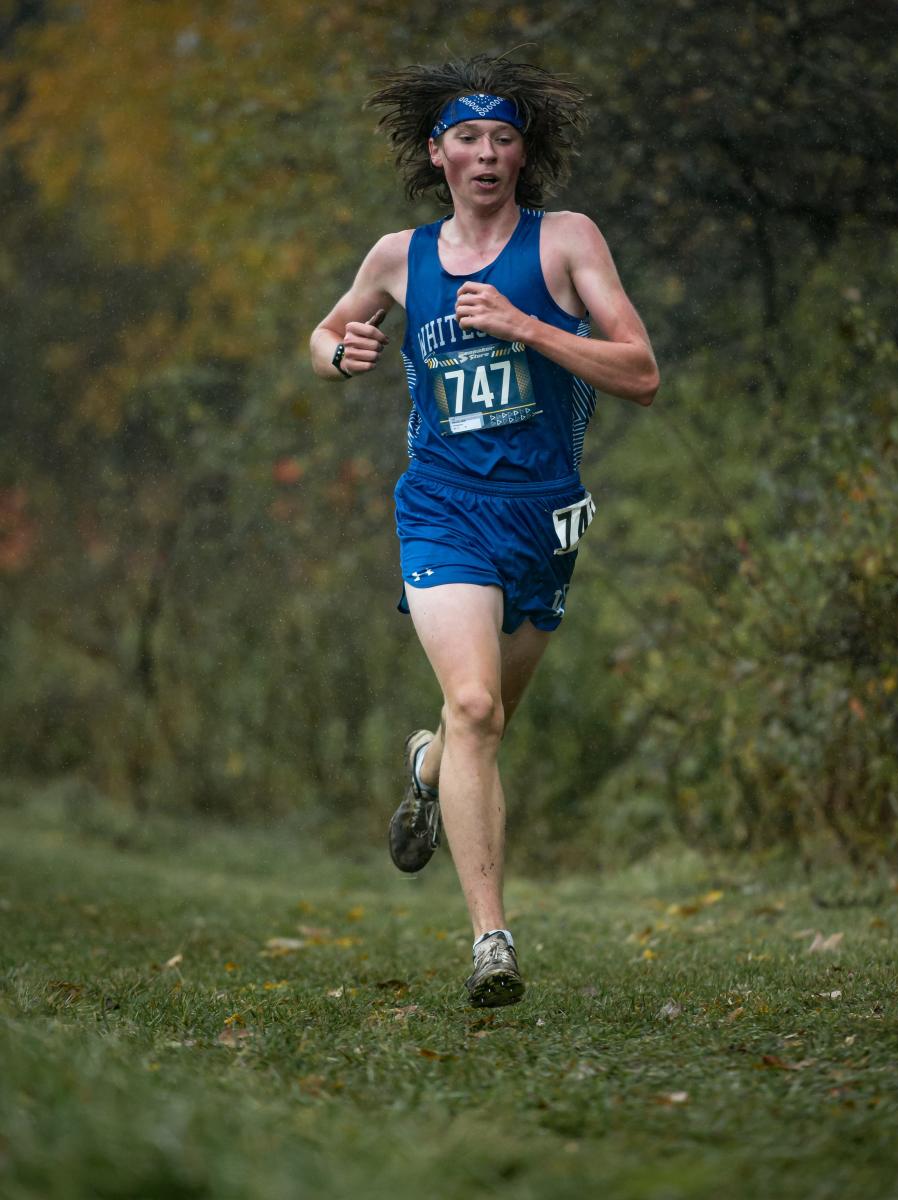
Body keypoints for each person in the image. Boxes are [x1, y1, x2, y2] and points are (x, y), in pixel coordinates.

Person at [309, 55, 659, 1008]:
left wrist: (526, 326)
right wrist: (345, 352)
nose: (487, 153)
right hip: (442, 507)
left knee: (483, 723)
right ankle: (490, 941)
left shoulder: (565, 242)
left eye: (503, 137)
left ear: (523, 152)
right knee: (474, 708)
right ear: (438, 153)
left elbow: (638, 370)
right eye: (467, 138)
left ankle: (426, 767)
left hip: (543, 516)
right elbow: (324, 335)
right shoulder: (399, 256)